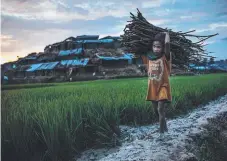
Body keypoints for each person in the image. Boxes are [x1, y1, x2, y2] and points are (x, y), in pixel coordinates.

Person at [143, 32, 172, 133]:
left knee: (160, 109)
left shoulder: (165, 57)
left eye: (159, 47)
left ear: (163, 48)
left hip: (163, 87)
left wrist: (167, 34)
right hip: (152, 88)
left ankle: (161, 132)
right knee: (156, 111)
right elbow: (140, 49)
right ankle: (165, 127)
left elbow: (167, 44)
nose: (156, 49)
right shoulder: (148, 57)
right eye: (154, 46)